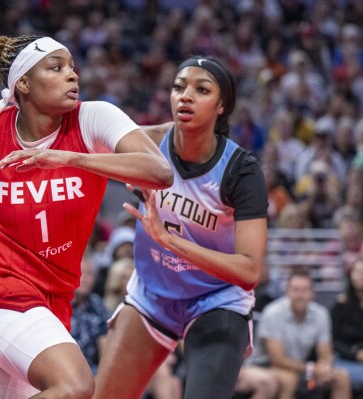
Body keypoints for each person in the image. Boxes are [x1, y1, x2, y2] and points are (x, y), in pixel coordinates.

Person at [0, 35, 172, 399]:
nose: (73, 76)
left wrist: (73, 158)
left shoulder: (93, 117)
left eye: (72, 67)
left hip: (53, 295)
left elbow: (160, 172)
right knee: (75, 386)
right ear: (24, 84)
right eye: (57, 67)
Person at [93, 55, 268, 399]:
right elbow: (83, 142)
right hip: (152, 295)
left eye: (201, 90)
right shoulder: (147, 142)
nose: (185, 96)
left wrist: (170, 241)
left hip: (215, 299)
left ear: (221, 106)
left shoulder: (241, 171)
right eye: (178, 87)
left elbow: (249, 271)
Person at [249, 269, 351, 399]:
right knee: (289, 379)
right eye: (295, 290)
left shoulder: (321, 314)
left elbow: (325, 353)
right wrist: (311, 369)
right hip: (266, 367)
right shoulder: (272, 313)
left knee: (341, 377)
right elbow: (278, 360)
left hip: (302, 369)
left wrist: (325, 369)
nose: (300, 295)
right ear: (287, 292)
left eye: (305, 290)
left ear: (312, 293)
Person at [330, 258, 363, 397]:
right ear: (350, 275)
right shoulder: (340, 306)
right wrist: (355, 354)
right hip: (346, 360)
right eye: (358, 271)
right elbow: (333, 341)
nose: (362, 276)